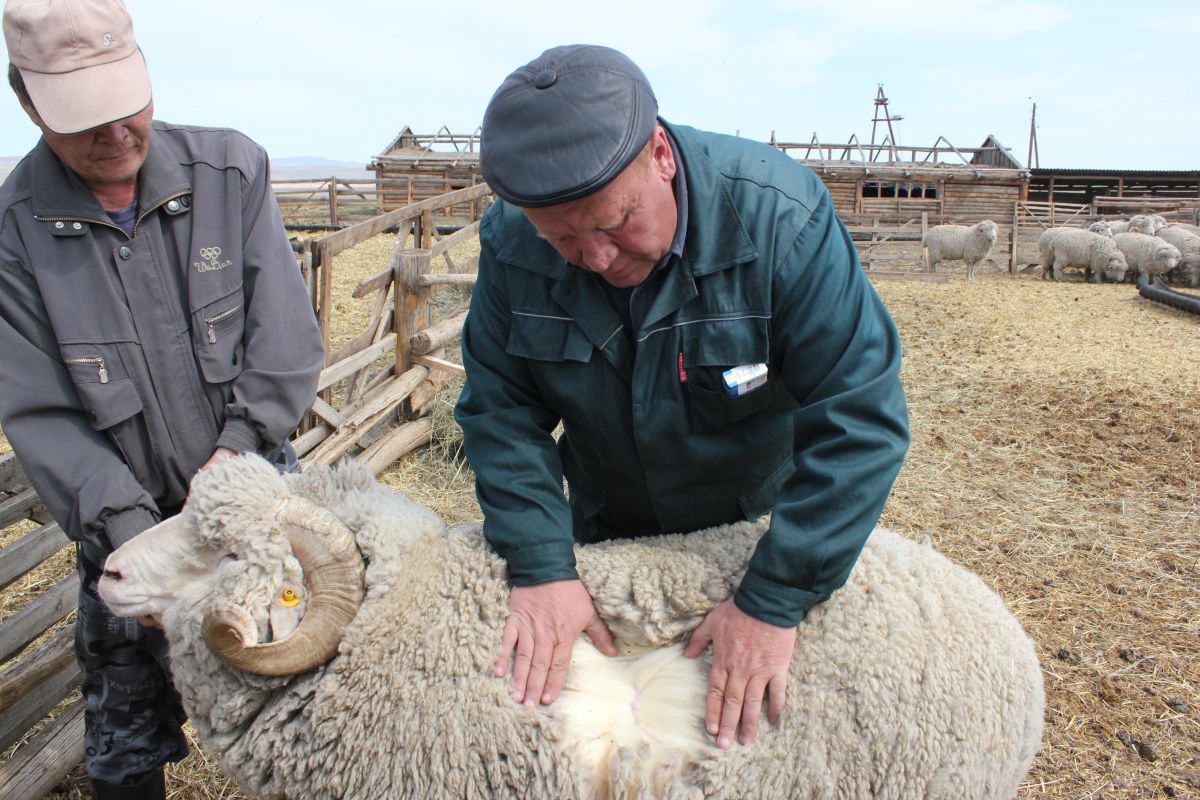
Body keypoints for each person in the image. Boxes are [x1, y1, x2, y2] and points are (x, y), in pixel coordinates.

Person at [455, 44, 910, 752]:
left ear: (660, 154)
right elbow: (499, 410)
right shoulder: (515, 248)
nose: (597, 258)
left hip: (755, 534)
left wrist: (775, 597)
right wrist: (542, 565)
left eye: (613, 223)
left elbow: (860, 415)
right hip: (611, 538)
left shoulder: (781, 224)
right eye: (564, 239)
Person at [0, 1, 324, 797]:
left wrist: (233, 460)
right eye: (85, 118)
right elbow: (45, 414)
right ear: (28, 100)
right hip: (127, 526)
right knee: (126, 736)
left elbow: (283, 341)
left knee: (312, 705)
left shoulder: (230, 172)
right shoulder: (15, 233)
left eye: (127, 105)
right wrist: (142, 541)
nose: (116, 134)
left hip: (254, 504)